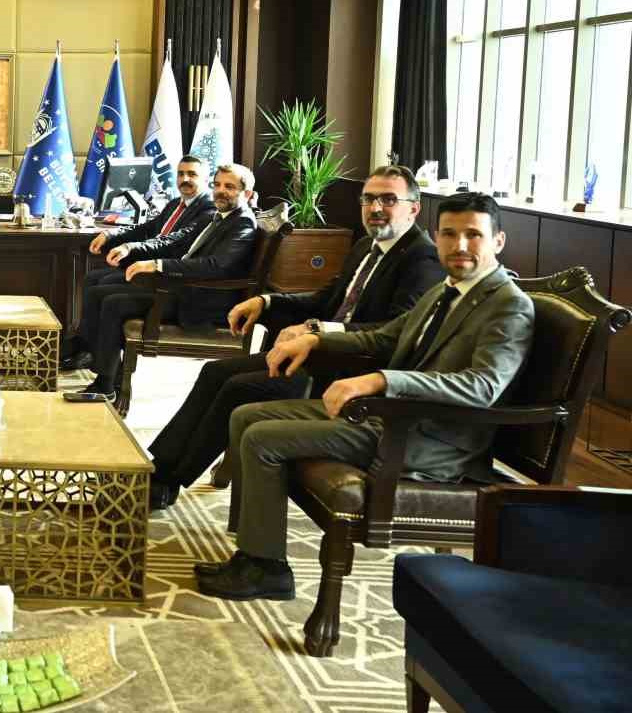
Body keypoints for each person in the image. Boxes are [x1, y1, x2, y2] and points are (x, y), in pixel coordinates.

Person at [197, 192, 534, 601]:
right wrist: (315, 340)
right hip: (391, 418)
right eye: (449, 234)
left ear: (498, 240)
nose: (459, 245)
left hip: (427, 439)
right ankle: (253, 551)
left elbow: (482, 387)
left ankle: (267, 571)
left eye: (473, 235)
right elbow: (383, 338)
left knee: (261, 439)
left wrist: (379, 380)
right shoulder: (446, 290)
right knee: (246, 415)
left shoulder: (508, 306)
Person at [145, 164, 444, 510]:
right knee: (214, 371)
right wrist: (267, 301)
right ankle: (159, 469)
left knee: (239, 388)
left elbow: (394, 330)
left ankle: (168, 483)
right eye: (369, 199)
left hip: (349, 372)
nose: (375, 208)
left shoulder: (422, 258)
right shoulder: (367, 246)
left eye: (388, 199)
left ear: (413, 208)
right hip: (317, 355)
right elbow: (325, 299)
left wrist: (317, 330)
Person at [75, 163, 259, 402]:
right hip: (182, 288)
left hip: (201, 300)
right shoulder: (216, 216)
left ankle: (105, 384)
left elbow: (215, 266)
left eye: (230, 187)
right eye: (218, 185)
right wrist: (133, 248)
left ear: (246, 194)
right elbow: (174, 240)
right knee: (100, 293)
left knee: (113, 303)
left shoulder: (242, 222)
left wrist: (158, 265)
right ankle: (108, 373)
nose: (220, 191)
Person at [62, 156, 214, 370]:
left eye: (192, 174)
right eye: (181, 174)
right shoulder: (176, 203)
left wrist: (130, 248)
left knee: (102, 286)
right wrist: (111, 235)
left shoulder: (208, 210)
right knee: (92, 278)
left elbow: (171, 243)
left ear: (206, 179)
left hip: (168, 277)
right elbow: (147, 228)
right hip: (151, 267)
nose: (184, 179)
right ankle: (87, 346)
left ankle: (94, 354)